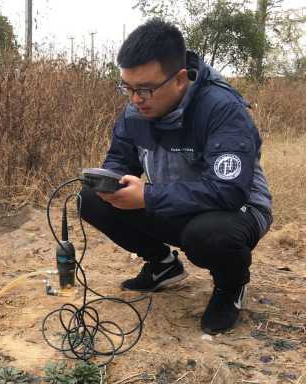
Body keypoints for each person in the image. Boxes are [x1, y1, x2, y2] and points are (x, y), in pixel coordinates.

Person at [79, 19, 273, 335]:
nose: (135, 99)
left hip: (237, 211)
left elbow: (229, 191)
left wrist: (148, 196)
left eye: (145, 89)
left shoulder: (222, 108)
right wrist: (109, 181)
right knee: (91, 199)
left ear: (180, 79)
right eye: (127, 88)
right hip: (172, 203)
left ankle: (230, 286)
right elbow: (119, 160)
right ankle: (162, 265)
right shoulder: (136, 112)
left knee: (208, 235)